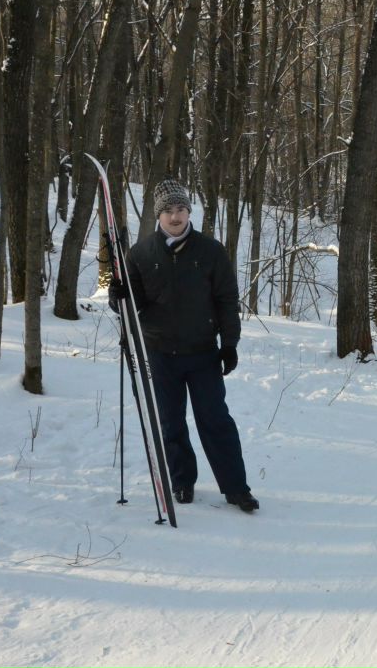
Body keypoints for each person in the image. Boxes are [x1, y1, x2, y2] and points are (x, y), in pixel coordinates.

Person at [119, 177, 259, 513]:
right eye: (169, 210)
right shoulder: (140, 254)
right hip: (159, 352)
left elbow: (227, 299)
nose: (176, 216)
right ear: (159, 215)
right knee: (170, 422)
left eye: (181, 208)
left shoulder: (210, 251)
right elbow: (131, 305)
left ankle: (236, 488)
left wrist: (230, 343)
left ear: (188, 211)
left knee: (215, 420)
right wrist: (118, 296)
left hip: (203, 353)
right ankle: (181, 481)